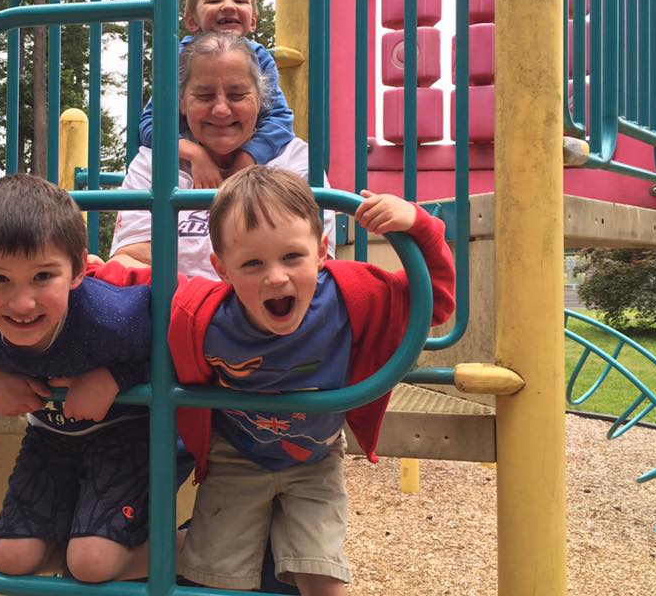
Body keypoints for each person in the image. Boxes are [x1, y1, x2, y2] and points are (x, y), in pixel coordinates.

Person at [166, 166, 456, 594]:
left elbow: (436, 302)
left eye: (292, 257)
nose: (276, 277)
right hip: (236, 455)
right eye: (252, 263)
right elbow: (142, 295)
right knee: (216, 579)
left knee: (323, 577)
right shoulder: (209, 319)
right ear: (221, 268)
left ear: (322, 251)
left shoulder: (349, 297)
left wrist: (421, 226)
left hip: (315, 459)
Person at [0, 173, 156, 582]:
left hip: (127, 435)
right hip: (52, 437)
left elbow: (172, 345)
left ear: (76, 270)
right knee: (11, 558)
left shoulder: (111, 320)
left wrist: (114, 378)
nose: (22, 303)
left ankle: (189, 552)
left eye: (42, 277)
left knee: (91, 563)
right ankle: (83, 550)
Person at [111, 31, 336, 278]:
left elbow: (316, 266)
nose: (220, 109)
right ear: (182, 102)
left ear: (260, 101)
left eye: (238, 95)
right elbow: (128, 259)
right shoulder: (153, 165)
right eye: (205, 96)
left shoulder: (296, 163)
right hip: (180, 315)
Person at [138, 0, 295, 188]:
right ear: (192, 20)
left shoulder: (259, 59)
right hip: (185, 169)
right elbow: (151, 123)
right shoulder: (179, 58)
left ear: (253, 20)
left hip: (245, 163)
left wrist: (248, 157)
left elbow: (280, 120)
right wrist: (193, 154)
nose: (229, 5)